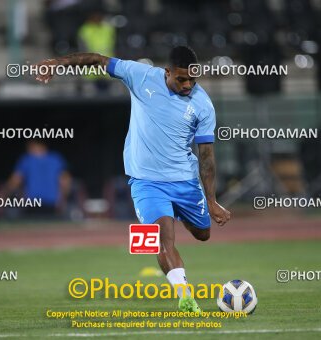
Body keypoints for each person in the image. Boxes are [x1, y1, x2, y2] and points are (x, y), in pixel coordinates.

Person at [34, 46, 231, 312]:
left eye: (193, 80)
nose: (187, 85)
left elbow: (206, 156)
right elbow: (97, 60)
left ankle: (179, 213)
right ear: (167, 72)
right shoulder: (140, 75)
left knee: (203, 233)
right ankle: (185, 296)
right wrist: (57, 63)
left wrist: (212, 200)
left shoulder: (203, 104)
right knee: (161, 241)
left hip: (185, 180)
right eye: (181, 79)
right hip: (146, 180)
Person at [5, 139, 71, 216]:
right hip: (40, 203)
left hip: (43, 202)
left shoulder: (27, 160)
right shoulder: (55, 159)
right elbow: (66, 181)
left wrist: (6, 193)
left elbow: (15, 180)